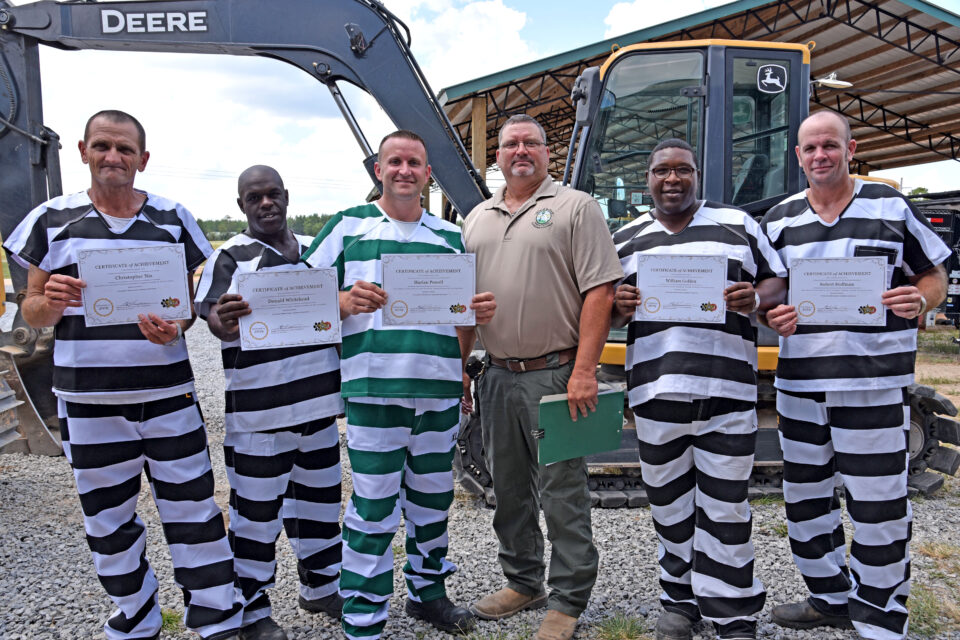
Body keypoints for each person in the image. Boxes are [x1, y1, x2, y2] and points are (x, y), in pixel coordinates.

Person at [2, 110, 242, 640]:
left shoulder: (173, 218)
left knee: (194, 508)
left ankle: (215, 614)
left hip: (168, 396)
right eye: (103, 146)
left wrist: (176, 326)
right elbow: (31, 308)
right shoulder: (51, 219)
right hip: (88, 402)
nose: (113, 157)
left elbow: (185, 306)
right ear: (83, 151)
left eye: (125, 149)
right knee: (107, 517)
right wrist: (49, 303)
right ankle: (136, 614)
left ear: (143, 159)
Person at [301, 130, 496, 640]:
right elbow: (299, 296)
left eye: (414, 163)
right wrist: (342, 302)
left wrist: (463, 354)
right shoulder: (348, 226)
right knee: (373, 505)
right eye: (395, 161)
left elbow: (461, 317)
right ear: (378, 170)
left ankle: (427, 594)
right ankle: (363, 614)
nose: (404, 170)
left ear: (428, 174)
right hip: (374, 389)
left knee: (432, 501)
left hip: (437, 390)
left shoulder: (450, 237)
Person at [761, 110, 949, 639]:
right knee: (805, 500)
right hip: (800, 385)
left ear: (851, 149)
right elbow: (770, 294)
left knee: (878, 503)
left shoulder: (889, 205)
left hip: (873, 382)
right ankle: (829, 597)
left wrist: (922, 299)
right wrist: (770, 314)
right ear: (798, 157)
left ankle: (881, 616)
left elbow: (934, 274)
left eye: (830, 145)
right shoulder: (780, 219)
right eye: (810, 148)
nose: (820, 155)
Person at [611, 138, 785, 640]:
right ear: (648, 178)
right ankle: (680, 601)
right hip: (655, 392)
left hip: (727, 389)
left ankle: (732, 611)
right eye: (662, 170)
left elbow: (777, 280)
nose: (672, 179)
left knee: (726, 504)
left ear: (697, 175)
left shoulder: (738, 226)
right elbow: (608, 311)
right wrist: (620, 305)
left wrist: (755, 298)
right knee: (669, 504)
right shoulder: (626, 240)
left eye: (683, 169)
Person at [460, 114, 622, 640]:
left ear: (547, 152)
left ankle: (569, 597)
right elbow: (463, 306)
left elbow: (600, 291)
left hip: (556, 374)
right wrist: (462, 369)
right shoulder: (476, 218)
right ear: (497, 157)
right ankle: (523, 581)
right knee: (508, 488)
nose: (521, 150)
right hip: (496, 374)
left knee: (561, 489)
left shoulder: (575, 207)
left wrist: (585, 369)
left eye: (531, 142)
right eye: (511, 144)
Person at [194, 166, 345, 640]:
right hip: (260, 418)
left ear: (286, 196)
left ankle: (322, 588)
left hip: (320, 409)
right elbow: (214, 319)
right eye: (254, 197)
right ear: (241, 205)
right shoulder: (229, 258)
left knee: (320, 508)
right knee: (255, 519)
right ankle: (253, 608)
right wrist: (225, 320)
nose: (265, 203)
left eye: (272, 194)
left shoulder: (316, 252)